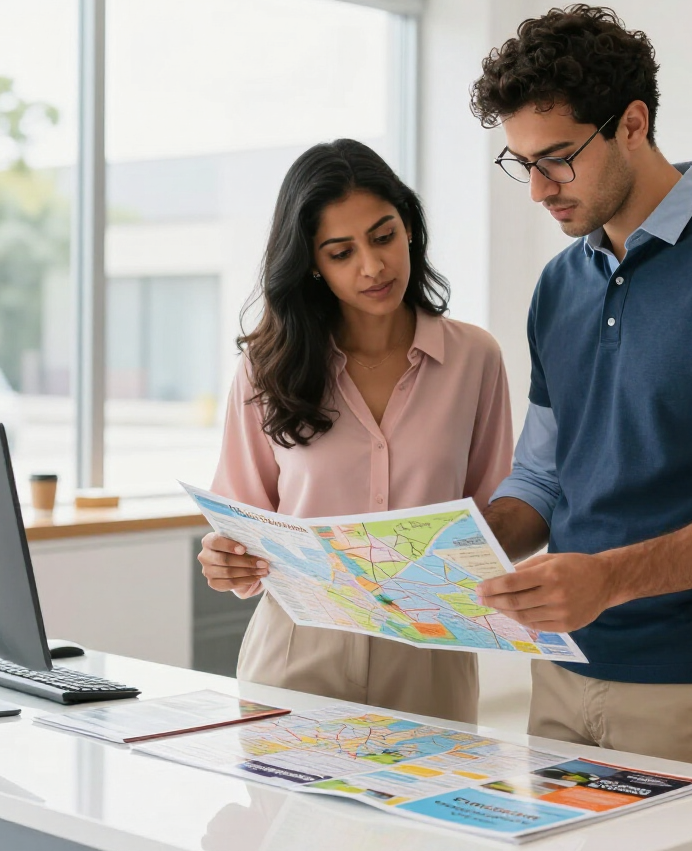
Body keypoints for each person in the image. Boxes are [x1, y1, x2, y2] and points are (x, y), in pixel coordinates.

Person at [469, 5, 692, 777]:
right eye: (521, 163)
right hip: (562, 674)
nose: (538, 190)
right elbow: (543, 475)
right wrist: (452, 552)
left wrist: (607, 578)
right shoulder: (559, 284)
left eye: (558, 158)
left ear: (632, 123)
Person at [198, 139, 512, 722]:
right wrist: (225, 559)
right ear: (312, 263)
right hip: (297, 650)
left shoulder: (475, 359)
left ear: (410, 228)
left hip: (431, 654)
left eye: (384, 236)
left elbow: (497, 516)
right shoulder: (265, 370)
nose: (372, 267)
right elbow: (240, 525)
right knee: (289, 815)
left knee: (425, 815)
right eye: (341, 252)